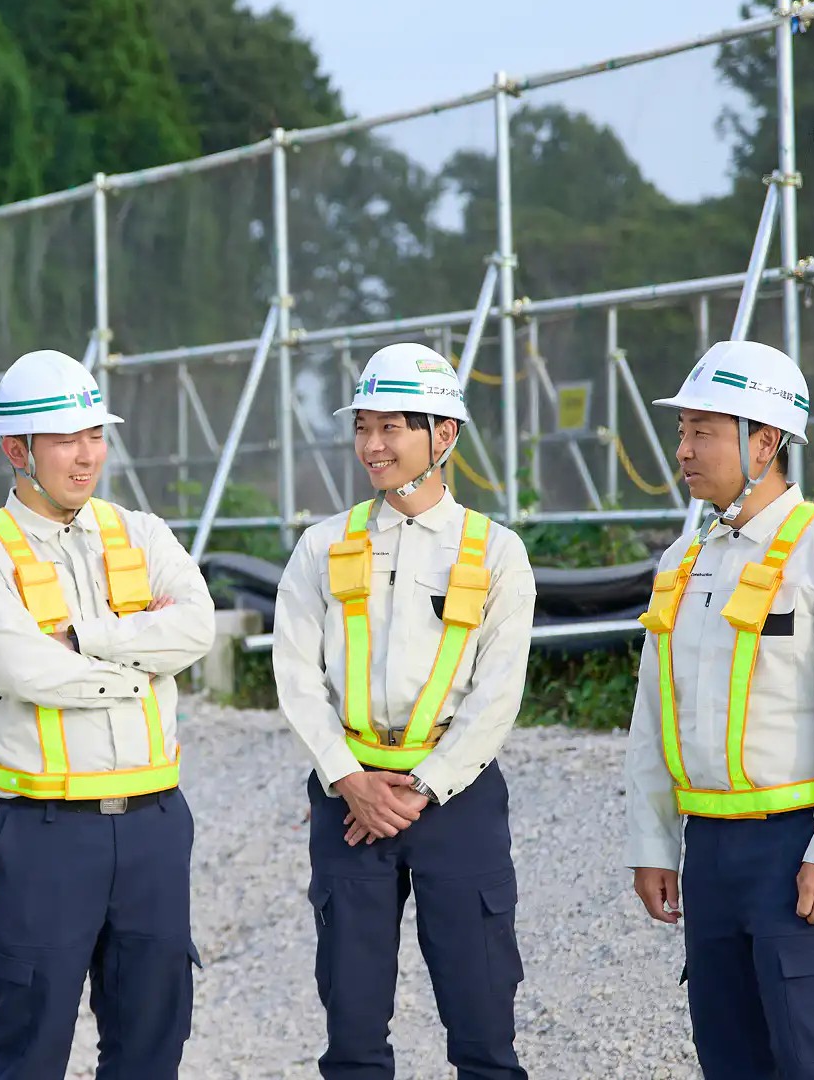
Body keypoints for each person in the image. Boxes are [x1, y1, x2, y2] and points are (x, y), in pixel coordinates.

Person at [623, 339, 814, 1079]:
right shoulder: (684, 562)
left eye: (703, 431)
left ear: (764, 441)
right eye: (683, 430)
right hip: (709, 846)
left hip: (793, 843)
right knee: (730, 1052)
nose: (683, 450)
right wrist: (653, 840)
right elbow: (654, 714)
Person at [0, 349, 216, 1080]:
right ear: (17, 450)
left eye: (95, 434)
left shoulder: (142, 533)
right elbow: (25, 671)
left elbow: (197, 629)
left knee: (152, 1041)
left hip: (156, 824)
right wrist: (142, 666)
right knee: (29, 1042)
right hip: (49, 833)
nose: (87, 455)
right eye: (66, 440)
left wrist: (85, 639)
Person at [271, 342, 537, 1080]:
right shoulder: (323, 546)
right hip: (349, 798)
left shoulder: (496, 552)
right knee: (352, 1030)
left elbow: (498, 694)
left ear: (443, 435)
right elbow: (294, 675)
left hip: (456, 800)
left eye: (391, 427)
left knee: (483, 1024)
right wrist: (346, 778)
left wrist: (421, 788)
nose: (372, 445)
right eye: (363, 427)